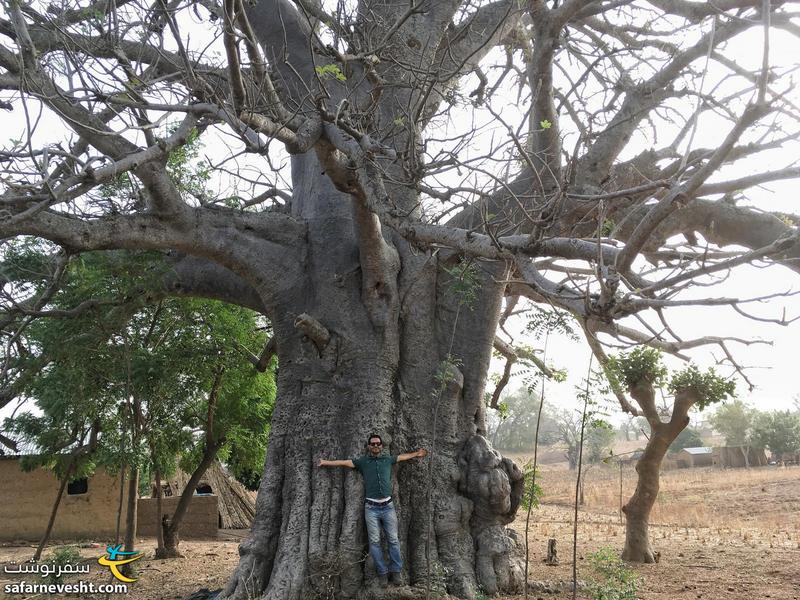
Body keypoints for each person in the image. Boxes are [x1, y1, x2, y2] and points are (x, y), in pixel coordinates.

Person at [317, 434, 428, 586]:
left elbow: (402, 457)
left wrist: (417, 454)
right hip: (371, 508)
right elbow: (343, 462)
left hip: (388, 507)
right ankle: (382, 573)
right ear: (369, 446)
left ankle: (396, 572)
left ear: (382, 446)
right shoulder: (363, 462)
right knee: (374, 542)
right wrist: (325, 462)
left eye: (378, 444)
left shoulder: (387, 459)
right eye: (373, 444)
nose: (375, 446)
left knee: (394, 540)